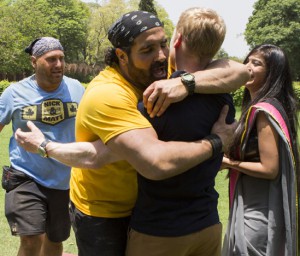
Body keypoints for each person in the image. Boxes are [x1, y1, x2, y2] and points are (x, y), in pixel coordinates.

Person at [15, 11, 250, 256]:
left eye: (163, 44)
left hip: (144, 207)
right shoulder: (108, 93)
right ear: (122, 55)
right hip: (105, 212)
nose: (160, 55)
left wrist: (186, 82)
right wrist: (216, 142)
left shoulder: (165, 72)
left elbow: (241, 72)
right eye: (147, 49)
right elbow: (103, 156)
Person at [125, 7, 234, 256]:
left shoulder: (156, 100)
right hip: (208, 224)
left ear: (178, 39)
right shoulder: (225, 98)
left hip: (160, 230)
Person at [0, 37, 85, 256]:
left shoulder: (76, 88)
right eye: (51, 59)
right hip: (26, 176)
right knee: (31, 239)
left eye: (61, 58)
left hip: (64, 180)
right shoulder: (14, 93)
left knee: (55, 242)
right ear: (34, 61)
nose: (58, 64)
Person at [221, 44, 299, 256]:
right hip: (256, 203)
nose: (248, 67)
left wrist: (228, 163)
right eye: (247, 61)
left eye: (256, 63)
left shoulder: (264, 111)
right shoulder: (266, 107)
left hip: (258, 211)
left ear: (272, 73)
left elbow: (269, 168)